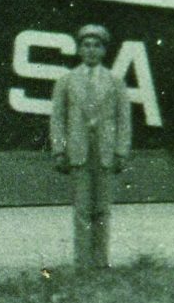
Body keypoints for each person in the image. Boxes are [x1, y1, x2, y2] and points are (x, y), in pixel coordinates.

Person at [48, 23, 131, 271]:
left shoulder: (116, 82)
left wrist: (121, 151)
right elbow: (57, 119)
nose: (91, 51)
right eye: (86, 45)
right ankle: (82, 264)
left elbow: (124, 119)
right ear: (79, 49)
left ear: (104, 50)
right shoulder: (66, 81)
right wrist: (59, 150)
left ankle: (101, 262)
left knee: (103, 210)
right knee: (82, 210)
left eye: (97, 46)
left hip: (104, 152)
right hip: (78, 152)